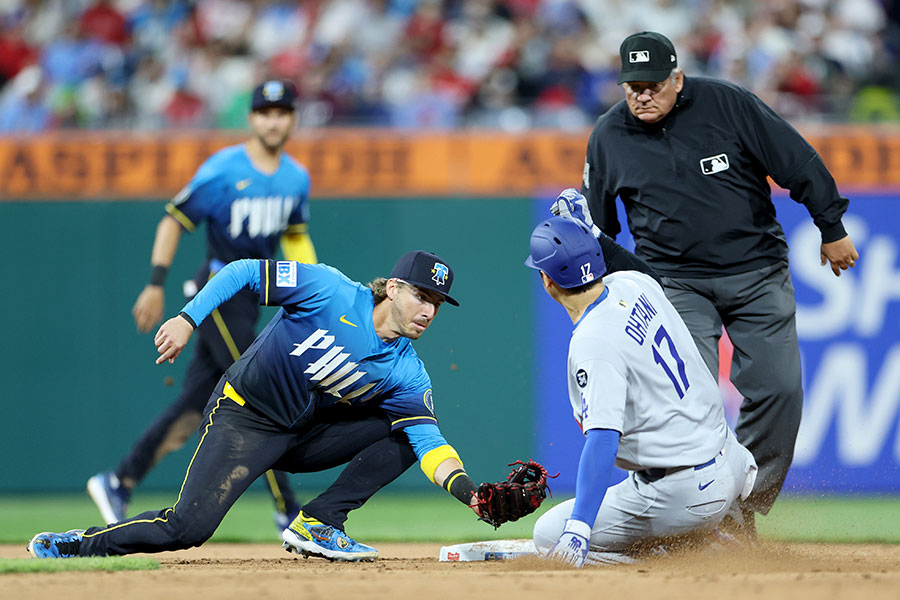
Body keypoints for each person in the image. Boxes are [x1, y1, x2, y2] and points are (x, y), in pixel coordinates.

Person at [29, 251, 489, 561]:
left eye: (437, 303)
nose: (429, 310)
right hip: (244, 419)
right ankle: (77, 545)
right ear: (392, 289)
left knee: (408, 430)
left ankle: (319, 522)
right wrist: (188, 319)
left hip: (301, 436)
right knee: (186, 529)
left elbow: (430, 443)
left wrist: (472, 494)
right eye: (421, 295)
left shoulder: (408, 371)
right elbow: (243, 271)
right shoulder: (328, 290)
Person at [576, 31, 859, 534]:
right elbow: (600, 230)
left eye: (653, 84)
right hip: (673, 285)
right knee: (687, 403)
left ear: (677, 78)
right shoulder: (608, 135)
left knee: (780, 390)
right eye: (632, 85)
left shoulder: (726, 104)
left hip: (757, 273)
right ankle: (684, 518)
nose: (642, 94)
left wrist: (831, 226)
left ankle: (742, 507)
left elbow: (796, 160)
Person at [87, 79, 317, 530]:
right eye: (266, 112)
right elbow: (173, 221)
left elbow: (294, 235)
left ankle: (119, 480)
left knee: (195, 405)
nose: (274, 120)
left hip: (251, 297)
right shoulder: (223, 170)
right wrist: (156, 283)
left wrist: (309, 282)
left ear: (292, 119)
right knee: (261, 390)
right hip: (216, 291)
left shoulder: (296, 176)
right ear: (251, 119)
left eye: (283, 112)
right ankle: (287, 509)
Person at [525, 215, 758, 567]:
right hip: (732, 459)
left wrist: (580, 528)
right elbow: (642, 271)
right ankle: (698, 537)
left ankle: (677, 557)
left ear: (547, 280)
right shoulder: (632, 284)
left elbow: (603, 439)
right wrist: (596, 235)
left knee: (548, 535)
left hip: (684, 495)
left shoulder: (593, 341)